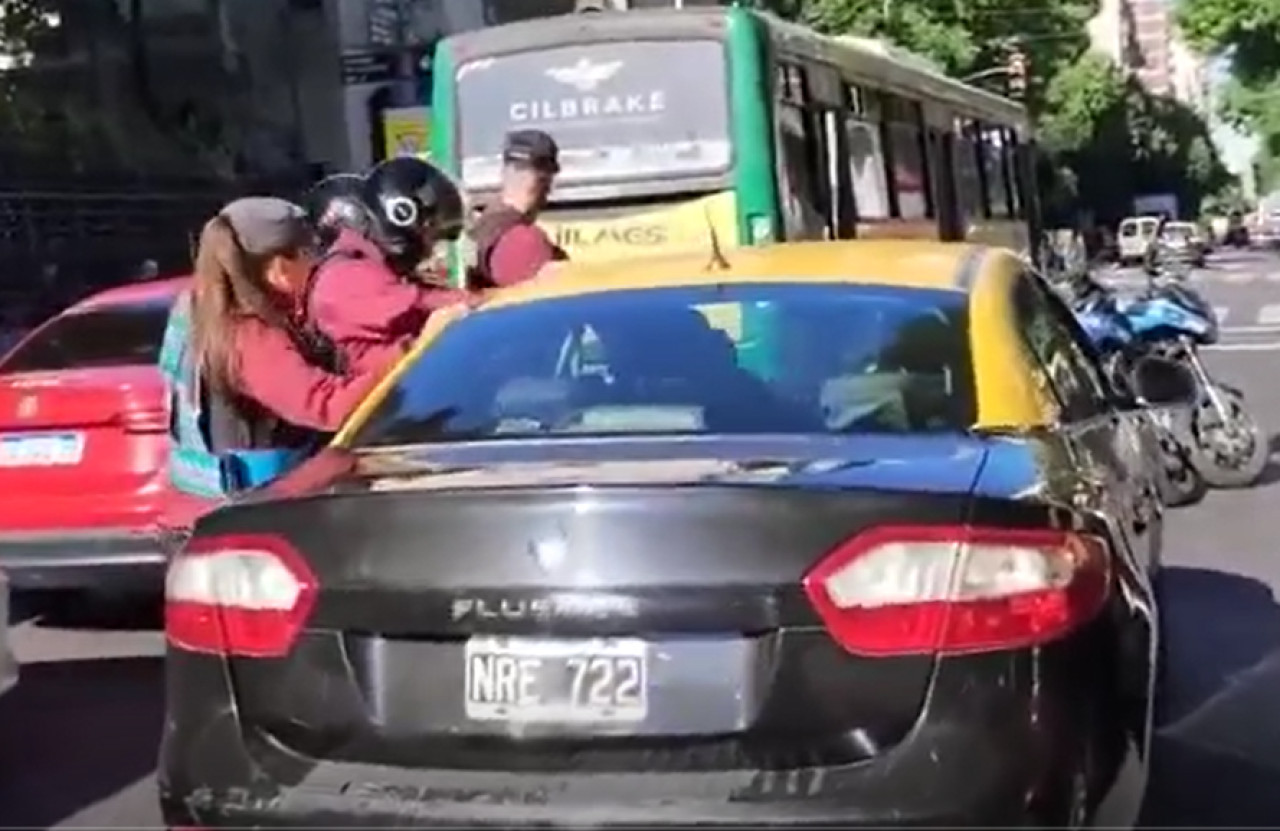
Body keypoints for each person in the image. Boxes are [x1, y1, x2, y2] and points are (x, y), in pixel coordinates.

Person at [159, 197, 398, 506]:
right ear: (281, 269)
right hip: (246, 516)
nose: (319, 267)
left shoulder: (193, 310)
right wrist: (409, 358)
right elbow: (327, 405)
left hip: (197, 508)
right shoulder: (247, 336)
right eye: (312, 256)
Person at [301, 158, 473, 374]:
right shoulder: (346, 276)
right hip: (385, 402)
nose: (432, 252)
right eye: (433, 237)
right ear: (401, 216)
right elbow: (421, 305)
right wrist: (486, 303)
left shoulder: (376, 267)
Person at [467, 129, 568, 289]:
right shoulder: (523, 241)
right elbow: (545, 305)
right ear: (546, 181)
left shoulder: (479, 227)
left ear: (504, 173)